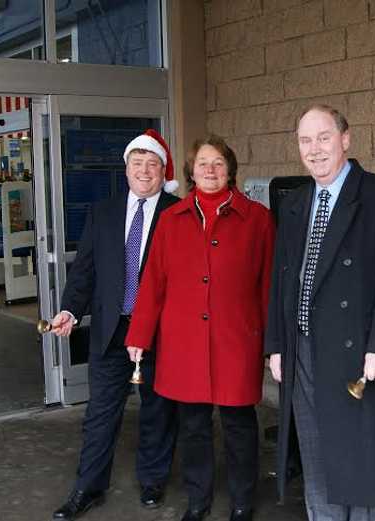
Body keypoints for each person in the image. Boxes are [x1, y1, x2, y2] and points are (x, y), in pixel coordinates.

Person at [265, 104, 375, 521]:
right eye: (304, 140)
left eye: (323, 137)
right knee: (318, 462)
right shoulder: (295, 203)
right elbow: (283, 282)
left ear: (345, 139)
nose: (314, 149)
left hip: (361, 356)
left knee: (367, 463)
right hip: (302, 353)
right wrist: (277, 345)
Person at [124, 136, 275, 521]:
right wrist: (139, 335)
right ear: (191, 171)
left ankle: (242, 501)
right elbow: (153, 283)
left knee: (239, 426)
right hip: (184, 344)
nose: (210, 170)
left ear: (231, 169)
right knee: (193, 426)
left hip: (236, 340)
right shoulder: (171, 220)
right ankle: (198, 500)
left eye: (219, 163)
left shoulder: (257, 218)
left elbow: (269, 285)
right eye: (203, 163)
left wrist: (272, 342)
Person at [50, 129, 180, 520]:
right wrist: (71, 310)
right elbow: (85, 271)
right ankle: (87, 488)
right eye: (137, 163)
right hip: (111, 331)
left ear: (162, 171)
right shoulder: (102, 212)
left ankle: (154, 480)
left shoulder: (178, 213)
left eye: (152, 164)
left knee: (159, 411)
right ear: (125, 169)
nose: (144, 171)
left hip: (159, 333)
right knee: (100, 415)